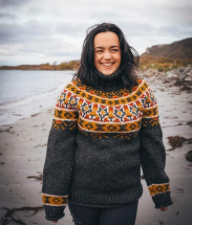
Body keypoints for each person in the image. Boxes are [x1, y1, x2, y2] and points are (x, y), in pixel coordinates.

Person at [42, 23, 173, 225]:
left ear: (123, 53)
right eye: (99, 51)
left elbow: (152, 145)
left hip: (125, 195)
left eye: (114, 49)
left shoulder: (141, 92)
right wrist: (54, 200)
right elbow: (59, 150)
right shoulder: (73, 92)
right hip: (81, 196)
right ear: (90, 55)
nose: (107, 57)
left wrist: (160, 191)